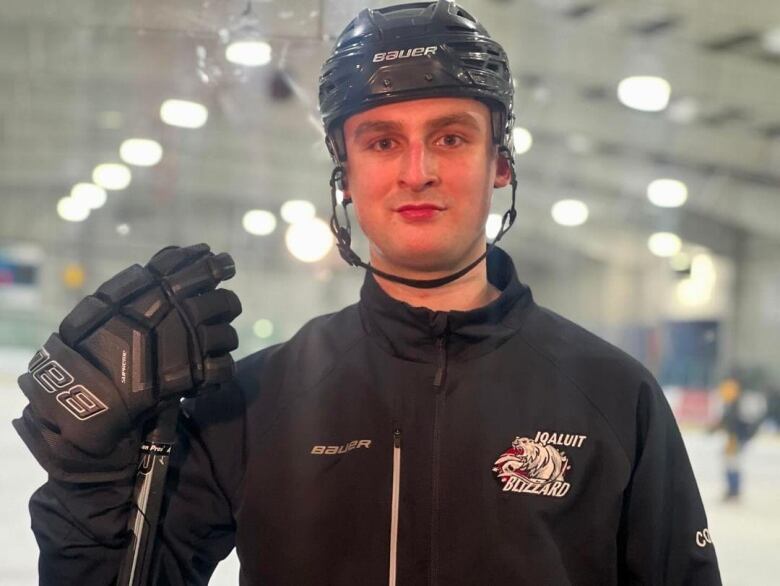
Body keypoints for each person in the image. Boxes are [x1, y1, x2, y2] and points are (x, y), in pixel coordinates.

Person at [13, 2, 721, 584]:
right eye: (382, 141)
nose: (417, 172)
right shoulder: (259, 400)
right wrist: (91, 475)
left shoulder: (612, 395)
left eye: (449, 137)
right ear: (343, 172)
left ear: (500, 162)